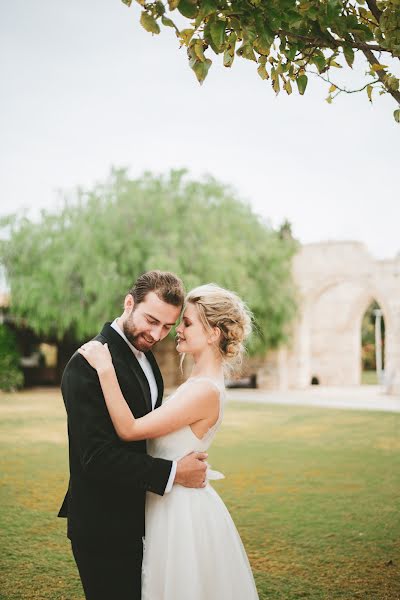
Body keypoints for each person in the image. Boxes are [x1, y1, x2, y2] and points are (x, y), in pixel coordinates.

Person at [79, 283, 259, 600]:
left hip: (182, 511)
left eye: (187, 323)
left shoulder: (203, 390)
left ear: (214, 333)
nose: (176, 330)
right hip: (167, 501)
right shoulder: (199, 384)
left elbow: (131, 430)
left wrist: (106, 370)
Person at [58, 271, 209, 600]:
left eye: (168, 326)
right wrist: (173, 472)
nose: (157, 334)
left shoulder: (145, 357)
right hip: (103, 525)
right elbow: (96, 458)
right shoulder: (87, 364)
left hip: (143, 519)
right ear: (129, 303)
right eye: (151, 320)